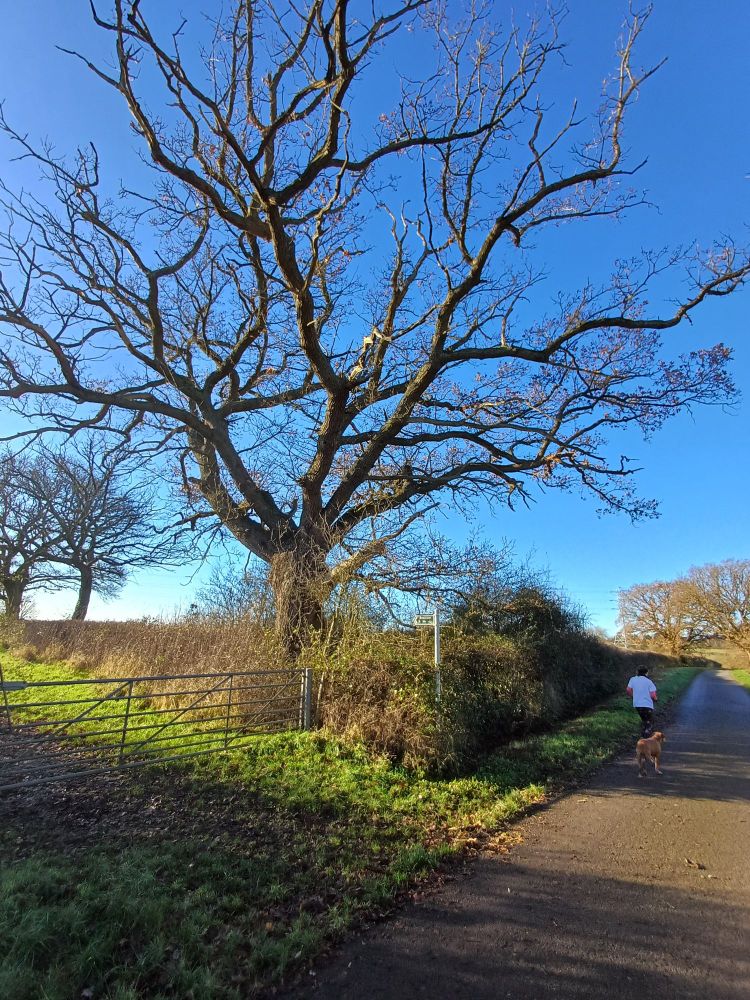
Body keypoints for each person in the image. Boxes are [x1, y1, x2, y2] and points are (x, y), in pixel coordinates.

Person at [626, 667, 658, 737]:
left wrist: (633, 696)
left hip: (637, 704)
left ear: (637, 672)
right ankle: (647, 738)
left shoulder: (633, 679)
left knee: (644, 720)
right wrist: (655, 699)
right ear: (646, 673)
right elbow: (653, 695)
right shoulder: (649, 681)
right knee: (649, 722)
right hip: (647, 705)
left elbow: (628, 690)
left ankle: (643, 737)